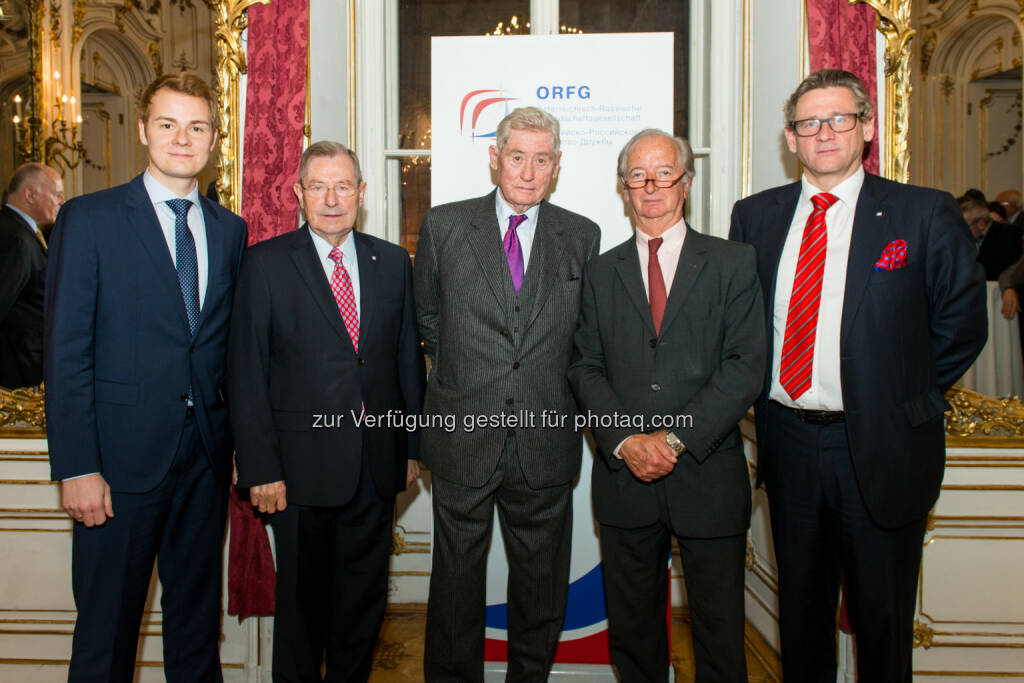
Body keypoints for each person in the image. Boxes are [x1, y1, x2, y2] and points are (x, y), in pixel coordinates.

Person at [730, 68, 987, 681]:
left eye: (839, 119)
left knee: (882, 620)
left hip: (882, 444)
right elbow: (743, 327)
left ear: (866, 128)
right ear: (790, 137)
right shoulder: (755, 217)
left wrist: (895, 396)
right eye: (808, 123)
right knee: (801, 616)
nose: (824, 133)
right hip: (788, 442)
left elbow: (961, 326)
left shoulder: (922, 213)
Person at [45, 73, 247, 682]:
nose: (182, 139)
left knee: (195, 631)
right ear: (142, 131)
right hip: (116, 467)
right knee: (107, 634)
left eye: (197, 127)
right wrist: (77, 466)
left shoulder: (230, 230)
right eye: (168, 124)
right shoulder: (89, 219)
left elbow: (225, 350)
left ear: (214, 138)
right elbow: (66, 353)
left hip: (205, 462)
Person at [567, 129, 765, 682]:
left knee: (720, 633)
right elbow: (584, 366)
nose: (651, 185)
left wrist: (674, 439)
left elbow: (745, 365)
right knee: (634, 636)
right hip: (624, 478)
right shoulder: (600, 272)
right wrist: (628, 441)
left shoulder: (733, 262)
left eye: (663, 173)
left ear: (687, 182)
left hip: (706, 472)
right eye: (638, 175)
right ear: (623, 187)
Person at [414, 106, 600, 682]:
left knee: (541, 586)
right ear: (494, 158)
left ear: (557, 166)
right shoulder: (446, 226)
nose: (527, 171)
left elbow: (585, 341)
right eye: (516, 157)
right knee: (454, 585)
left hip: (546, 444)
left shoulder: (582, 235)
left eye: (541, 160)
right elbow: (427, 320)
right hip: (462, 438)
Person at [228, 141, 425, 681]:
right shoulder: (264, 264)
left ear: (362, 193)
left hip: (375, 466)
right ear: (299, 194)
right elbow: (246, 375)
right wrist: (261, 468)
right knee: (301, 610)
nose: (332, 199)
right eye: (319, 186)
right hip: (296, 474)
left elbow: (406, 361)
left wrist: (409, 448)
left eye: (343, 186)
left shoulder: (391, 264)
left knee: (362, 610)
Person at [0, 163, 63, 387]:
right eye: (56, 194)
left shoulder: (17, 230)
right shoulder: (16, 239)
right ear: (30, 194)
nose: (61, 201)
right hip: (18, 375)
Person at [959, 196, 1023, 280]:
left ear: (981, 224)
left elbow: (1006, 270)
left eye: (965, 226)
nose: (961, 230)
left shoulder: (1008, 234)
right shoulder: (964, 239)